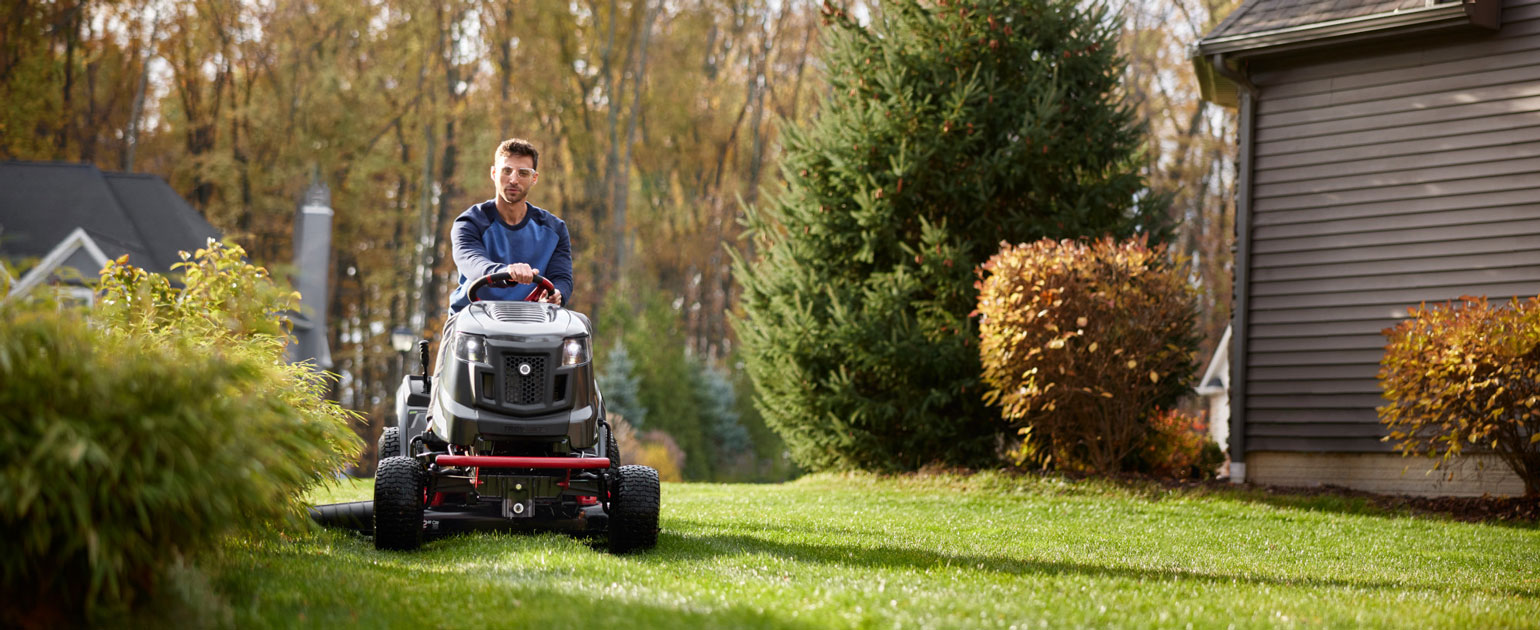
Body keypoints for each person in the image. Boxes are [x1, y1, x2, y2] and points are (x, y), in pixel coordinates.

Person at [448, 138, 573, 313]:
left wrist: (556, 294)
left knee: (578, 329)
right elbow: (474, 264)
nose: (513, 180)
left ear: (534, 178)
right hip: (473, 319)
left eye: (523, 173)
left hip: (532, 322)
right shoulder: (469, 223)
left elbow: (561, 277)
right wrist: (507, 272)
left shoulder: (555, 229)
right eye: (507, 171)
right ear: (493, 173)